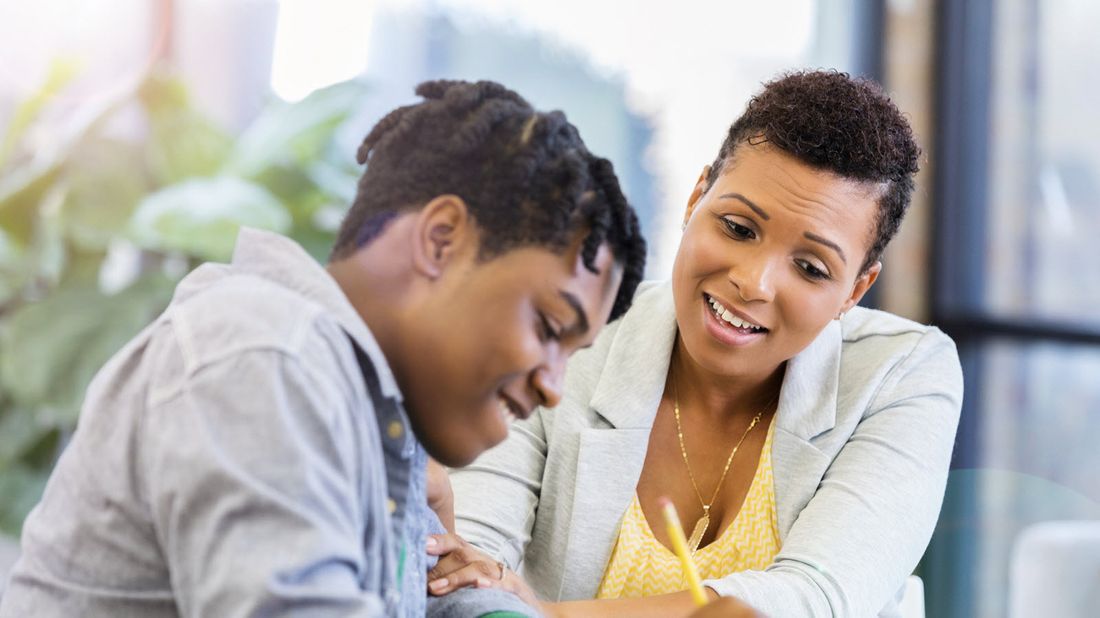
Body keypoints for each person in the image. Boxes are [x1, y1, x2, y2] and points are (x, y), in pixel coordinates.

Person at [0, 80, 646, 617]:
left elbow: (436, 595)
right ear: (442, 239)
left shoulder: (367, 410)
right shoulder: (266, 355)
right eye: (547, 326)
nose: (554, 386)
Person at [431, 70, 963, 617]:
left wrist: (548, 614)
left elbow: (816, 598)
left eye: (809, 267)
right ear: (695, 198)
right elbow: (467, 566)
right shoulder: (572, 335)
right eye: (737, 227)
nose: (753, 283)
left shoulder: (902, 374)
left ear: (855, 289)